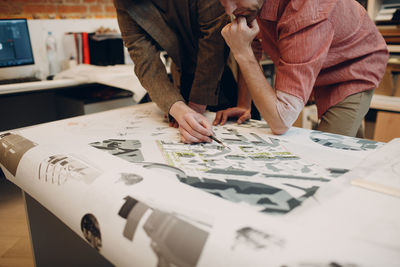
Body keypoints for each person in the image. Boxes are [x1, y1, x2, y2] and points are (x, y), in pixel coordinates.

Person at [213, 0, 389, 137]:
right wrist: (244, 105)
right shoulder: (251, 5)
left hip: (353, 66)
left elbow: (282, 120)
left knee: (325, 157)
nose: (229, 10)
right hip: (320, 62)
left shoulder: (308, 10)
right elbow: (253, 45)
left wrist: (241, 51)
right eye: (222, 2)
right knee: (345, 147)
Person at [113, 0, 239, 143]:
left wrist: (197, 105)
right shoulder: (124, 4)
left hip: (222, 74)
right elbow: (146, 65)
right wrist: (178, 108)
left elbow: (214, 40)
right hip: (185, 77)